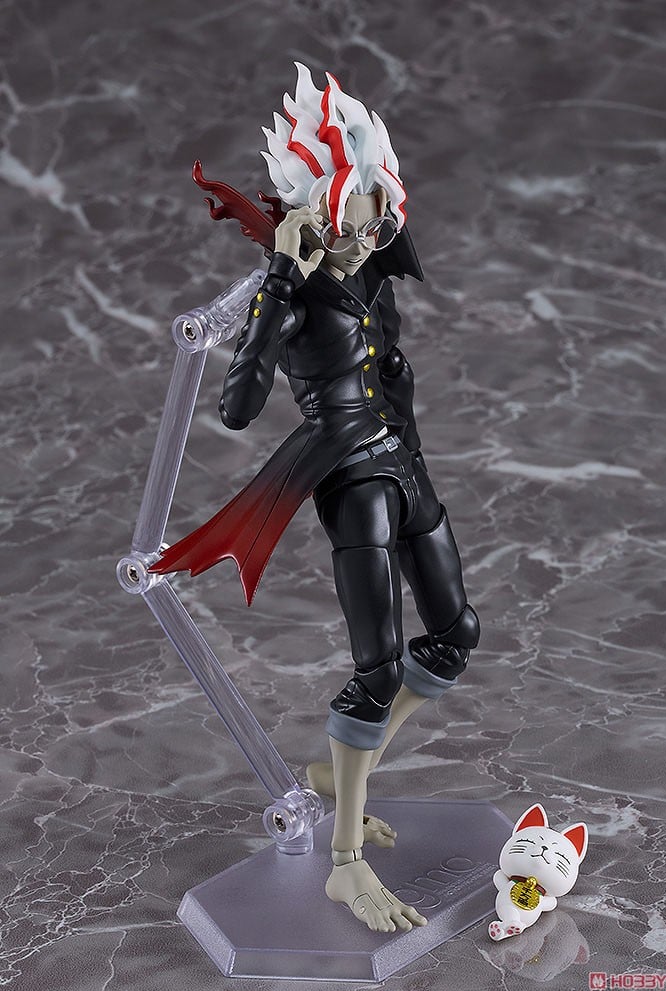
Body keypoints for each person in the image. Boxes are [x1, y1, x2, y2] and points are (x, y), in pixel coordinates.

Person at [151, 63, 479, 933]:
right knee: (376, 673)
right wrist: (278, 285)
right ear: (313, 215)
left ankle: (339, 774)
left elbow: (387, 359)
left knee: (454, 636)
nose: (364, 238)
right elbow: (236, 408)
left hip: (403, 462)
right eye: (347, 222)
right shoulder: (290, 298)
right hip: (351, 480)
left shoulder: (371, 270)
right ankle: (343, 864)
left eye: (375, 218)